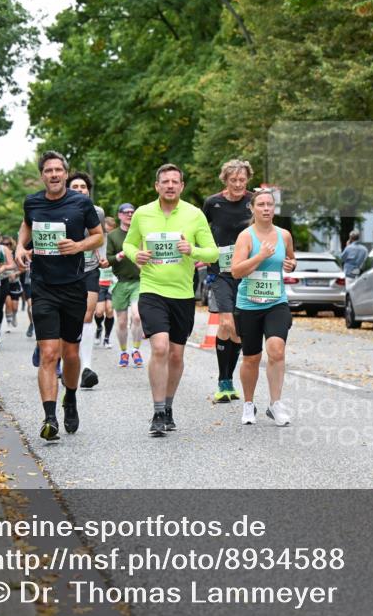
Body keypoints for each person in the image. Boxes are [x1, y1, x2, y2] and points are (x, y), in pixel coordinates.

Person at [123, 164, 218, 437]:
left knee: (176, 355)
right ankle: (157, 411)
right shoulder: (142, 214)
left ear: (182, 186)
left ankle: (168, 407)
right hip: (152, 290)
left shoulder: (194, 214)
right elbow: (129, 244)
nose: (170, 185)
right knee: (161, 348)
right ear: (157, 186)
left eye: (175, 181)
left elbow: (212, 253)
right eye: (165, 181)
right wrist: (134, 255)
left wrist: (192, 249)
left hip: (182, 295)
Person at [15, 151, 103, 441]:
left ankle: (71, 397)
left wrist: (78, 246)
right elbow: (27, 224)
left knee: (71, 353)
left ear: (66, 174)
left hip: (74, 286)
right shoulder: (33, 202)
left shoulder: (81, 203)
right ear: (42, 175)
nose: (53, 174)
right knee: (49, 353)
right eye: (48, 170)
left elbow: (98, 235)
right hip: (43, 286)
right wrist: (19, 247)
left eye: (58, 170)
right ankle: (49, 417)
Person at [229, 189, 297, 426]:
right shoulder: (246, 237)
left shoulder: (284, 235)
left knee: (277, 350)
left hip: (276, 302)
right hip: (248, 304)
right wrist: (259, 257)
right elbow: (236, 271)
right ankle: (249, 404)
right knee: (251, 357)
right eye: (261, 205)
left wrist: (291, 265)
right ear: (252, 208)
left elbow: (290, 258)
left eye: (270, 204)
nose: (266, 208)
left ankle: (275, 404)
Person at [201, 159, 255, 403]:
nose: (238, 184)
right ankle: (224, 382)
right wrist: (202, 252)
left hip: (247, 273)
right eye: (233, 180)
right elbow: (202, 230)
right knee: (226, 324)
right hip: (221, 272)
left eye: (242, 180)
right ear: (225, 180)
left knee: (240, 332)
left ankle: (228, 380)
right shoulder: (213, 203)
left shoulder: (253, 202)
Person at [68, 171, 109, 389]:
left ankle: (86, 368)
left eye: (83, 187)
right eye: (74, 187)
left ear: (88, 190)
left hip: (90, 267)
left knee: (87, 314)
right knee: (67, 317)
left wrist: (101, 256)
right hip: (65, 270)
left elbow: (101, 236)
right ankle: (64, 359)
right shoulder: (59, 210)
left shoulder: (98, 212)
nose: (80, 190)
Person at [107, 203, 144, 368]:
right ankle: (123, 352)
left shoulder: (140, 233)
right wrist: (120, 255)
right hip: (120, 282)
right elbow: (107, 259)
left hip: (139, 281)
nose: (129, 215)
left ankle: (136, 349)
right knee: (121, 322)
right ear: (119, 215)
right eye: (126, 212)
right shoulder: (113, 236)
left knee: (137, 316)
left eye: (132, 212)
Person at [94, 216, 118, 349]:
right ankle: (98, 328)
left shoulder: (116, 242)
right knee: (98, 312)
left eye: (110, 231)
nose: (107, 233)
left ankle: (107, 337)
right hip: (98, 281)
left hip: (112, 282)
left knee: (109, 310)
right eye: (105, 230)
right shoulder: (97, 240)